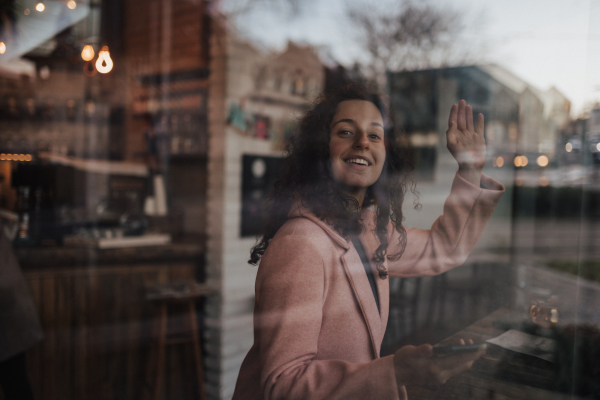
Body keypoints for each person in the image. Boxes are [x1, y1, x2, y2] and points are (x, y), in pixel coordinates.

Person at [232, 82, 505, 400]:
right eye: (345, 132)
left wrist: (470, 169)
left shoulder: (369, 231)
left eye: (375, 135)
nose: (363, 142)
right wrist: (396, 372)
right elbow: (283, 386)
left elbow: (445, 250)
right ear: (320, 149)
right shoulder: (300, 245)